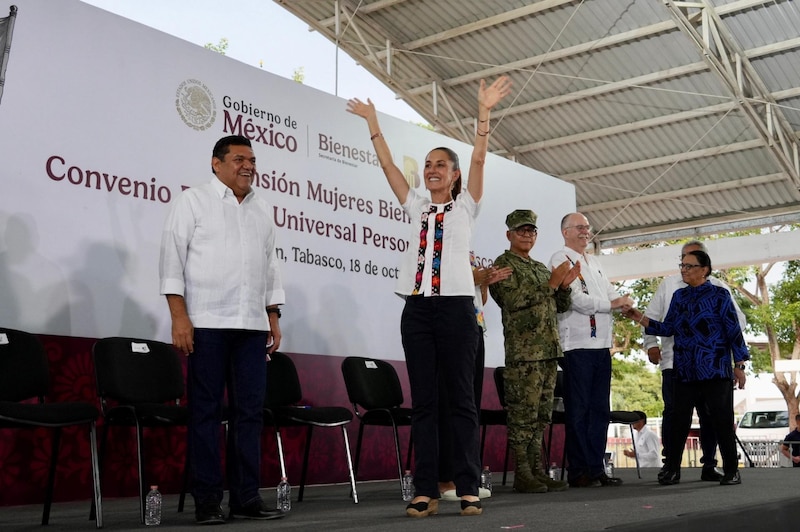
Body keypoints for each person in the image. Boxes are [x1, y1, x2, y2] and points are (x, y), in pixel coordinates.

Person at [346, 75, 512, 518]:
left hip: (458, 310)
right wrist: (373, 122)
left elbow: (479, 157)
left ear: (454, 175)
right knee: (423, 402)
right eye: (428, 164)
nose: (432, 169)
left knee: (460, 399)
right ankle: (425, 490)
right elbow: (387, 169)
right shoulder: (417, 205)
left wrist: (483, 113)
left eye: (441, 164)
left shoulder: (466, 205)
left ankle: (468, 485)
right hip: (417, 310)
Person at [159, 135, 286, 524]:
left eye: (252, 159)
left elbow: (269, 267)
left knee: (249, 414)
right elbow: (171, 260)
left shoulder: (263, 208)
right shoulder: (192, 201)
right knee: (206, 414)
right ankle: (208, 501)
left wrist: (273, 315)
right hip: (208, 324)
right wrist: (180, 316)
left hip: (251, 327)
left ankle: (246, 498)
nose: (248, 166)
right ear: (216, 164)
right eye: (238, 159)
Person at [623, 250, 748, 486]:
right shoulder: (679, 296)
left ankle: (731, 470)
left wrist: (739, 365)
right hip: (685, 369)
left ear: (704, 270)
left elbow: (734, 331)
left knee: (721, 420)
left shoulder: (720, 295)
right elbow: (668, 327)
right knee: (678, 421)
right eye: (682, 265)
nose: (684, 269)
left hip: (715, 369)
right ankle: (672, 469)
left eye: (689, 266)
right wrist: (639, 318)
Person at [488, 209, 579, 493]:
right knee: (522, 415)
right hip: (523, 353)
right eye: (521, 231)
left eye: (531, 231)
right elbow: (511, 301)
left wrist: (564, 287)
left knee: (541, 416)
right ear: (509, 235)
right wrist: (551, 285)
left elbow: (559, 306)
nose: (527, 235)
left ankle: (537, 470)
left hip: (548, 350)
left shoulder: (540, 268)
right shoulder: (503, 265)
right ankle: (522, 473)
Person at [548, 213, 633, 488]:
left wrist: (622, 301)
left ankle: (597, 468)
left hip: (601, 346)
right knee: (579, 409)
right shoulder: (559, 258)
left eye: (588, 227)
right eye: (580, 227)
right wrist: (613, 304)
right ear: (565, 232)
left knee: (599, 409)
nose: (586, 231)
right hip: (577, 345)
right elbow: (576, 301)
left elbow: (609, 292)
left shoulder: (594, 262)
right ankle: (579, 470)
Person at [438, 255, 512, 502]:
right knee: (451, 404)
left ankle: (465, 478)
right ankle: (444, 478)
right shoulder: (443, 245)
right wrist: (475, 278)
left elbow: (479, 300)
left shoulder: (467, 252)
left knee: (469, 406)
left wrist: (485, 283)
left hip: (474, 327)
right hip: (450, 328)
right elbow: (438, 285)